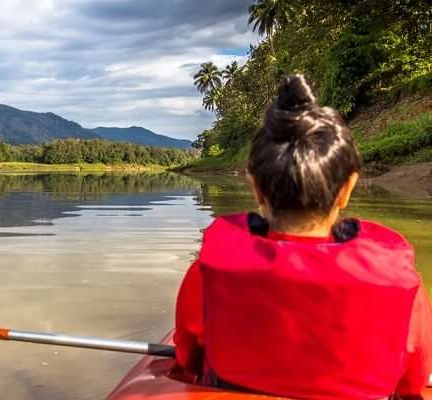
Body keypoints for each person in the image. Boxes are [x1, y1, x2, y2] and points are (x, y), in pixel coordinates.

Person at [174, 74, 432, 399]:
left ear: (256, 187)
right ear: (348, 188)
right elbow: (413, 381)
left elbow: (187, 359)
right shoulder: (401, 279)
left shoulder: (207, 272)